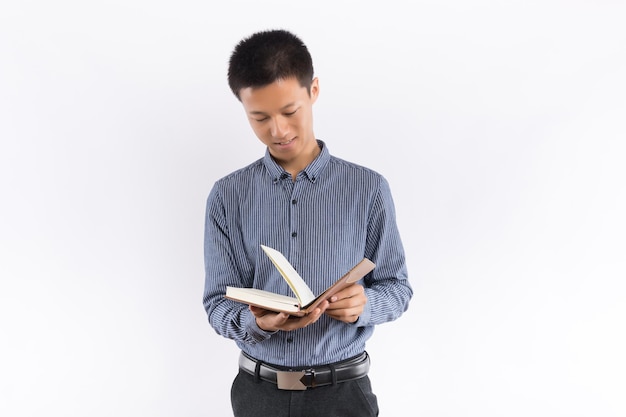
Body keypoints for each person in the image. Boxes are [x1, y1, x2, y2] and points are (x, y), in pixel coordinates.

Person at [203, 28, 413, 417]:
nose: (277, 130)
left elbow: (398, 289)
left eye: (289, 111)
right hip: (258, 395)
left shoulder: (367, 188)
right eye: (259, 117)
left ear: (313, 90)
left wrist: (363, 304)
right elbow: (217, 303)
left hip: (343, 394)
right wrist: (259, 325)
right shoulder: (227, 195)